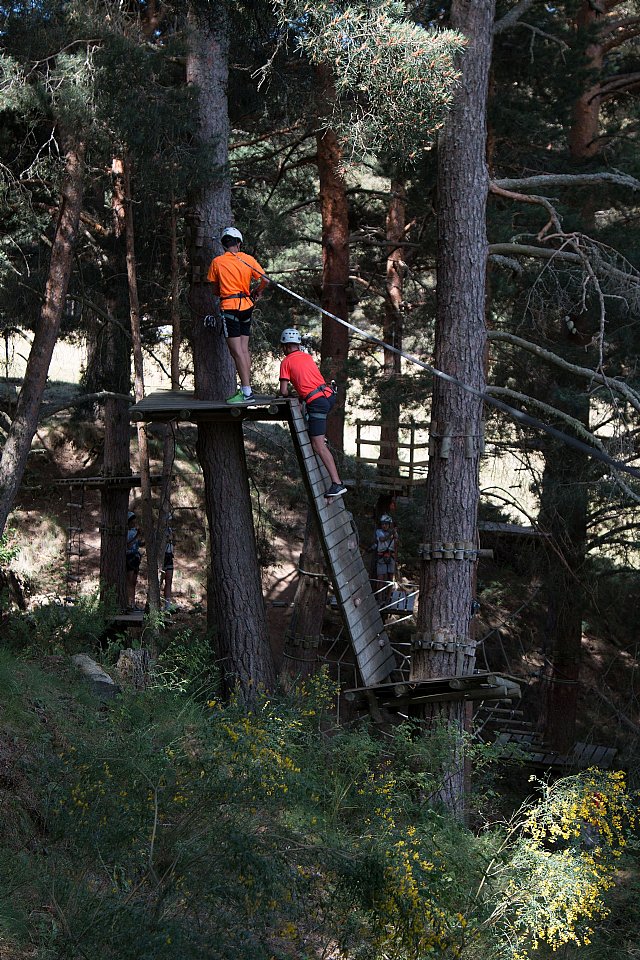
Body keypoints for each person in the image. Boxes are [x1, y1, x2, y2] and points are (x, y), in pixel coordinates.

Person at [278, 327, 347, 499]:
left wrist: (292, 394)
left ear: (285, 346)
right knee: (315, 433)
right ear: (298, 344)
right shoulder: (307, 357)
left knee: (318, 446)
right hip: (328, 395)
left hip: (316, 402)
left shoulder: (286, 362)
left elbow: (284, 391)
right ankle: (318, 435)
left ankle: (337, 484)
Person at [207, 226, 269, 405]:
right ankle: (247, 389)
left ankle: (247, 392)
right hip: (246, 306)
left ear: (224, 244)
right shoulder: (248, 259)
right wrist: (257, 291)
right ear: (239, 243)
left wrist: (224, 289)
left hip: (230, 307)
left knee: (236, 352)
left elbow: (214, 289)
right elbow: (265, 279)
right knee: (243, 349)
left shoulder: (217, 262)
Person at [371, 513, 398, 610]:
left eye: (386, 524)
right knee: (380, 579)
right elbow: (382, 539)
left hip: (391, 556)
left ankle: (387, 599)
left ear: (389, 524)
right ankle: (380, 599)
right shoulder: (379, 532)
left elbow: (396, 545)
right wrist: (392, 533)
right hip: (381, 557)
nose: (384, 525)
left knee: (390, 579)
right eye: (383, 524)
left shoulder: (394, 534)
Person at [125, 511, 143, 611]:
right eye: (132, 521)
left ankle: (132, 602)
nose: (134, 522)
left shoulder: (134, 531)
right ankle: (129, 603)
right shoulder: (127, 533)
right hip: (129, 557)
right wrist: (136, 536)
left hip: (136, 558)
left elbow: (139, 544)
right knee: (129, 581)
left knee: (134, 582)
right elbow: (128, 545)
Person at [161, 516, 175, 612]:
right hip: (161, 555)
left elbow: (173, 543)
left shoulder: (170, 530)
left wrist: (172, 538)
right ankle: (156, 602)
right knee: (160, 579)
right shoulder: (158, 530)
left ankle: (167, 604)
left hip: (169, 555)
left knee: (169, 579)